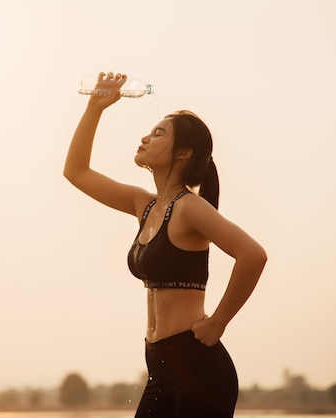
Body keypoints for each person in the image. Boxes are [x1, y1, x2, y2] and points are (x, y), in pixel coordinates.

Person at [63, 72, 267, 417]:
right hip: (160, 367)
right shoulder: (144, 205)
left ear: (184, 152)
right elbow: (76, 171)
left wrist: (218, 321)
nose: (145, 137)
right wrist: (95, 108)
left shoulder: (189, 207)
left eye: (158, 133)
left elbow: (253, 255)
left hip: (198, 368)